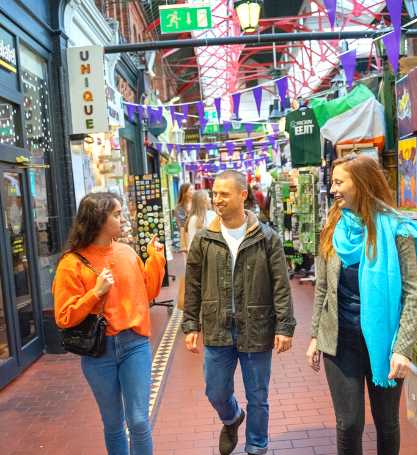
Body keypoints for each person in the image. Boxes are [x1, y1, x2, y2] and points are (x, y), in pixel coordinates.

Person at [306, 154, 417, 455]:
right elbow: (324, 288)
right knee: (349, 423)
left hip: (384, 340)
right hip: (339, 339)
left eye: (339, 182)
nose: (332, 190)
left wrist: (402, 349)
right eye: (332, 182)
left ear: (362, 184)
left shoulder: (397, 229)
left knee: (386, 422)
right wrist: (316, 335)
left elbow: (412, 293)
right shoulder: (333, 226)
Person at [182, 170, 296, 455]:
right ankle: (232, 417)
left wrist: (285, 326)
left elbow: (281, 284)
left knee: (258, 396)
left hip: (257, 326)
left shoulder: (267, 237)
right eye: (215, 194)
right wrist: (190, 323)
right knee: (216, 391)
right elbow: (193, 283)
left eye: (224, 194)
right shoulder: (204, 239)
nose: (217, 200)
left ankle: (257, 446)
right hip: (217, 325)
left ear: (243, 195)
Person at [54, 191, 166, 455]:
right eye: (117, 214)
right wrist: (95, 293)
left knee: (138, 420)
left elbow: (147, 294)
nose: (123, 219)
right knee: (113, 423)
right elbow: (64, 316)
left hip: (134, 344)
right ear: (98, 220)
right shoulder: (71, 264)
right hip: (98, 352)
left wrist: (155, 259)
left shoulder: (127, 253)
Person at [175, 183, 195, 251]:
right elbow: (183, 222)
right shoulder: (180, 206)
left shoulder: (197, 204)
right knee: (187, 256)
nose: (194, 191)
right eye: (191, 189)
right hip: (186, 233)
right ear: (185, 192)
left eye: (193, 189)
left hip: (197, 232)